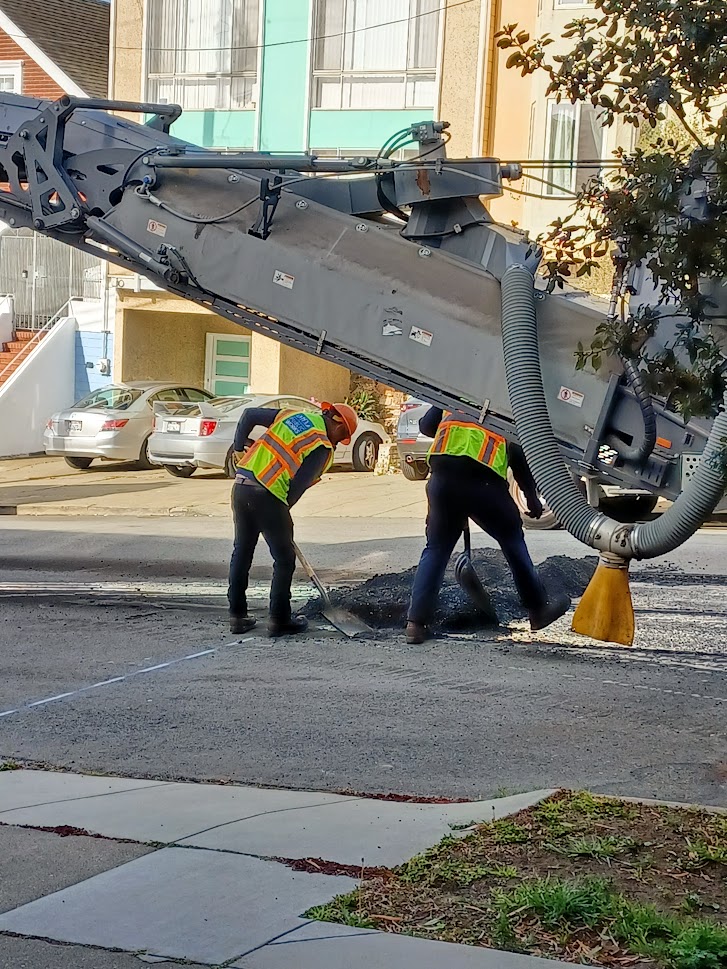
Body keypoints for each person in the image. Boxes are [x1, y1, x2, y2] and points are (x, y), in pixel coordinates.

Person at [406, 407, 570, 644]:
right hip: (484, 484)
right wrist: (531, 498)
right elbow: (516, 453)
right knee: (512, 539)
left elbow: (426, 426)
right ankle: (537, 609)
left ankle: (415, 624)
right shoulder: (505, 401)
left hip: (442, 482)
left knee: (437, 548)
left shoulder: (451, 394)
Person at [228, 401, 358, 637]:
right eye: (341, 438)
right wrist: (279, 515)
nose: (338, 444)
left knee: (242, 550)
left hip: (241, 485)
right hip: (268, 494)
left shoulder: (292, 416)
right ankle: (279, 619)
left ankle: (237, 616)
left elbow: (249, 414)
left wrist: (238, 447)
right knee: (285, 559)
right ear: (339, 426)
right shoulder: (322, 446)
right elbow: (296, 488)